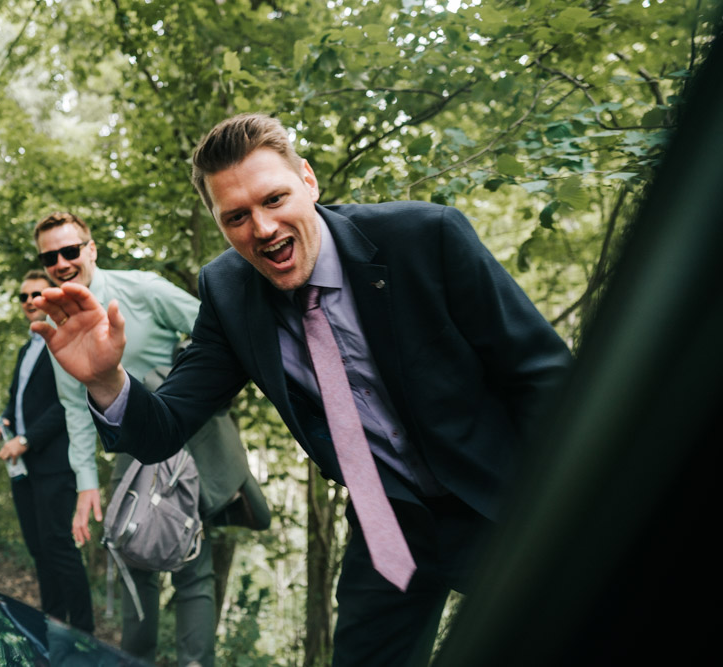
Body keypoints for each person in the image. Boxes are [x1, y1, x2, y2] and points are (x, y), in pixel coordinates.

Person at [31, 113, 574, 666]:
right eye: (236, 216)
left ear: (309, 181)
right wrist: (105, 380)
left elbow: (542, 377)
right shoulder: (227, 290)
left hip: (501, 500)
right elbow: (164, 427)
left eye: (274, 199)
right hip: (388, 522)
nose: (261, 229)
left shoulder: (424, 236)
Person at [34, 211, 216, 666]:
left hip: (185, 447)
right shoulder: (57, 326)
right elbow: (76, 410)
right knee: (135, 561)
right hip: (129, 456)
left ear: (90, 249)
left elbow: (217, 332)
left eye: (70, 250)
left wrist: (183, 374)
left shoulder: (143, 289)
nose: (61, 262)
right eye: (50, 256)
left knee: (194, 564)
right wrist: (86, 483)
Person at [0, 269, 95, 632]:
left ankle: (82, 636)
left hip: (53, 463)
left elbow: (70, 404)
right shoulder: (26, 348)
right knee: (39, 551)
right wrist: (2, 423)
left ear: (51, 298)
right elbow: (15, 402)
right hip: (22, 468)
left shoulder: (64, 341)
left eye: (37, 293)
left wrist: (27, 438)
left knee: (61, 550)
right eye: (23, 296)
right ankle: (53, 628)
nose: (29, 301)